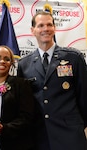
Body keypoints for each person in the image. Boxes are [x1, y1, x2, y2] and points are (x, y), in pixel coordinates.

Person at [17, 11, 87, 150]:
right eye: (41, 25)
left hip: (70, 134)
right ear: (33, 30)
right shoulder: (24, 64)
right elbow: (24, 103)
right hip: (40, 136)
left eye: (49, 24)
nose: (46, 29)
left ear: (54, 28)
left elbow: (84, 95)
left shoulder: (73, 57)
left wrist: (80, 124)